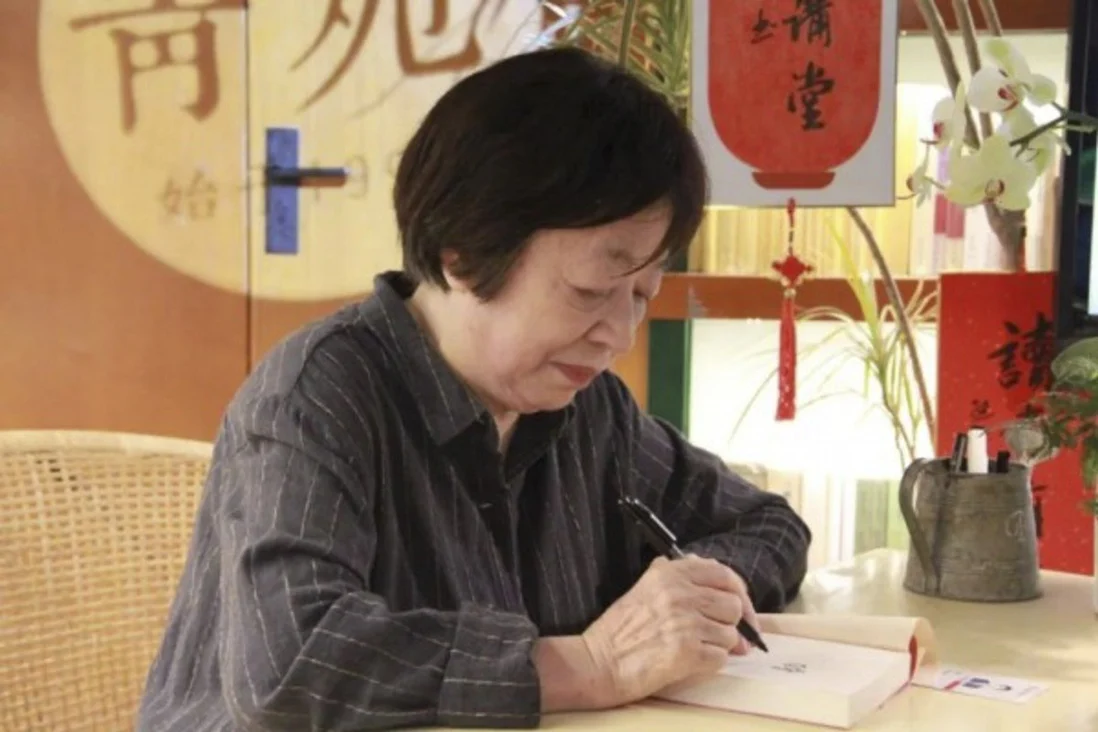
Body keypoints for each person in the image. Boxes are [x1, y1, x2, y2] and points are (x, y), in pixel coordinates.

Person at [136, 46, 811, 732]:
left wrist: (696, 599)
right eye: (590, 291)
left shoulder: (589, 410)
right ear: (462, 253)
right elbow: (291, 664)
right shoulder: (317, 397)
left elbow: (767, 525)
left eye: (642, 293)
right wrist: (593, 663)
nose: (618, 334)